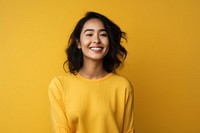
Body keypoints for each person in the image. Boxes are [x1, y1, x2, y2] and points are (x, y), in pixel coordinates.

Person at [48, 11, 135, 133]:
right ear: (78, 43)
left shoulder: (123, 86)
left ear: (109, 42)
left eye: (103, 35)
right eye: (89, 34)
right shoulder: (59, 85)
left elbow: (127, 131)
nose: (96, 40)